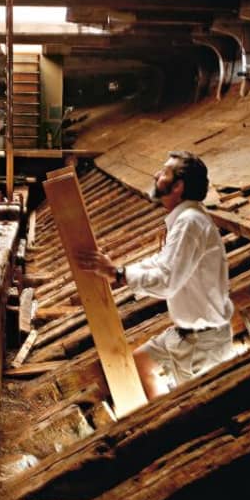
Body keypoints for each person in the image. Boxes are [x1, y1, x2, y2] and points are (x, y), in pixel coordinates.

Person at [78, 151, 235, 400]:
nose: (156, 175)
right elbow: (160, 263)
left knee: (192, 408)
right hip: (186, 334)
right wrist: (119, 273)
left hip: (204, 343)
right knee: (140, 365)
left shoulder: (189, 223)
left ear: (178, 186)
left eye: (164, 173)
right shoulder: (186, 219)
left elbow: (167, 282)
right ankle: (157, 409)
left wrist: (118, 274)